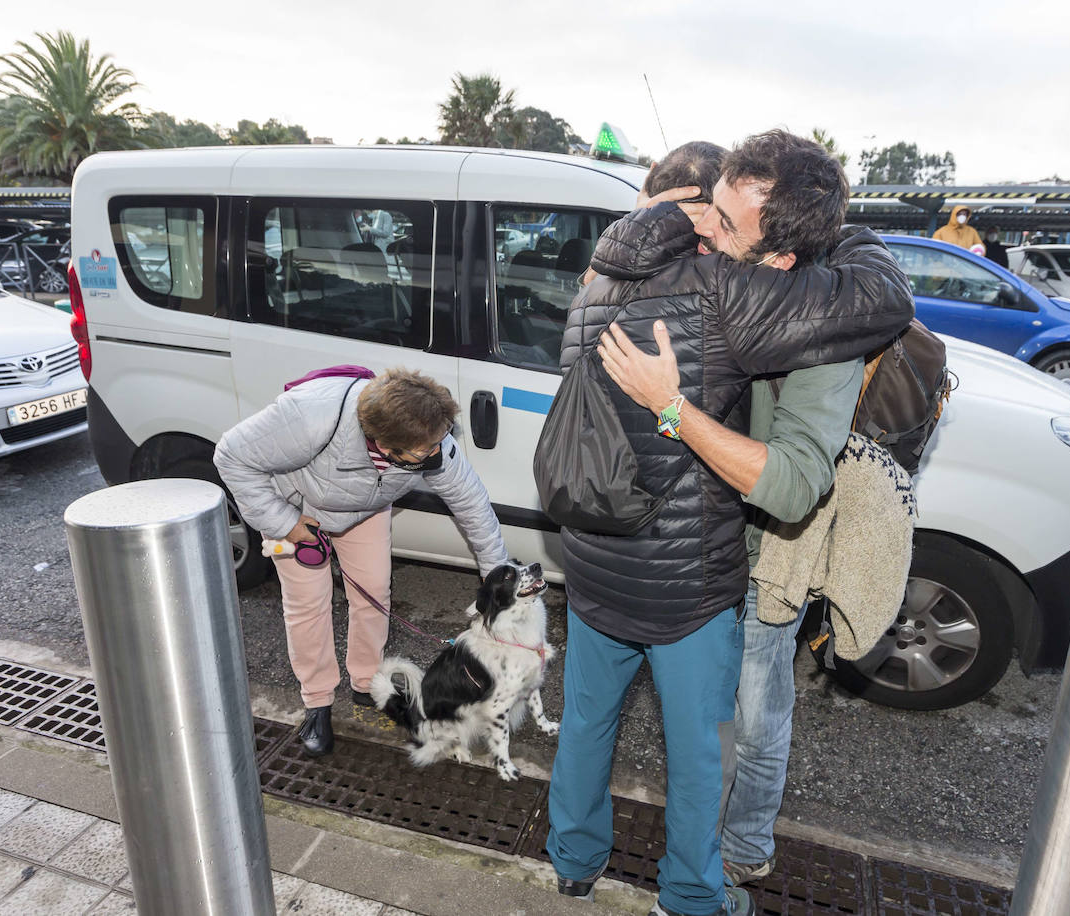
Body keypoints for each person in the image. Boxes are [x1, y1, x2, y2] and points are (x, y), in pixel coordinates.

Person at [545, 131, 913, 916]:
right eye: (706, 206)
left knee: (585, 725)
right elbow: (789, 485)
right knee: (703, 756)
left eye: (725, 220)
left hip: (594, 557)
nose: (706, 230)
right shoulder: (731, 292)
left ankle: (572, 862)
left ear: (780, 258)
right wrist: (671, 408)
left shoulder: (603, 272)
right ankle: (690, 896)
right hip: (688, 586)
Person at [214, 368, 509, 756]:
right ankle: (317, 702)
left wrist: (497, 579)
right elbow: (231, 456)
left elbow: (473, 506)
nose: (439, 452)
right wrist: (284, 523)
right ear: (386, 445)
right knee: (308, 605)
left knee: (373, 591)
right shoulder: (312, 415)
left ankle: (367, 681)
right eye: (426, 451)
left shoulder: (432, 440)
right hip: (301, 510)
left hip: (365, 510)